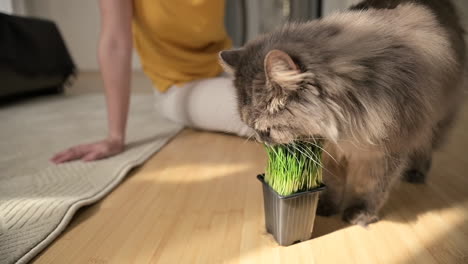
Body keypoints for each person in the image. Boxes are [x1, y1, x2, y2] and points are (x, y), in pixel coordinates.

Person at [51, 0, 251, 164]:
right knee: (259, 112)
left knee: (279, 86)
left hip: (225, 61)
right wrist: (115, 136)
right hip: (179, 83)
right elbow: (115, 41)